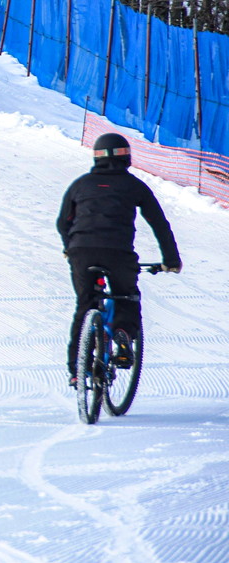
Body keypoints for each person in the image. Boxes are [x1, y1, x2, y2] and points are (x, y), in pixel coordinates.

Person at [56, 132, 181, 387]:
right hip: (118, 253)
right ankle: (123, 334)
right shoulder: (134, 186)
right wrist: (170, 259)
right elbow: (159, 224)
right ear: (127, 158)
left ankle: (77, 370)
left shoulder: (81, 184)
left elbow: (62, 222)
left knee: (85, 305)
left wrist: (70, 248)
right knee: (126, 296)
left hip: (82, 251)